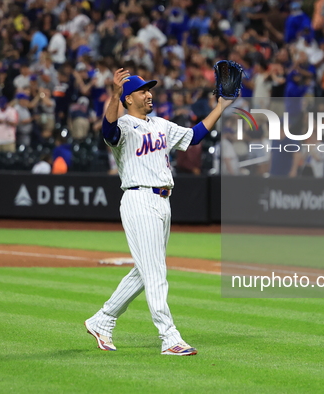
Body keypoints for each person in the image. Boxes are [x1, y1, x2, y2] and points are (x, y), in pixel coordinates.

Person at [85, 68, 234, 356]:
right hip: (139, 198)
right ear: (129, 99)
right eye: (142, 91)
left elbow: (194, 136)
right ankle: (169, 337)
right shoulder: (125, 126)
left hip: (163, 201)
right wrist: (114, 94)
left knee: (144, 271)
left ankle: (102, 320)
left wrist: (220, 107)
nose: (149, 94)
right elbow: (108, 131)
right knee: (156, 272)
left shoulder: (161, 125)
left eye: (149, 89)